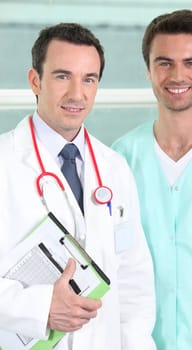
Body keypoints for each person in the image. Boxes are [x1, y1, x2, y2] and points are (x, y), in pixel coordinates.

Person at [0, 23, 156, 350]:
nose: (77, 94)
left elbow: (133, 284)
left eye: (89, 79)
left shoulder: (114, 168)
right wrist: (39, 307)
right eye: (62, 76)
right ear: (34, 81)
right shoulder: (5, 163)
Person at [112, 9, 192, 350]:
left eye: (191, 62)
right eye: (164, 63)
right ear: (148, 70)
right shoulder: (121, 159)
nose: (177, 75)